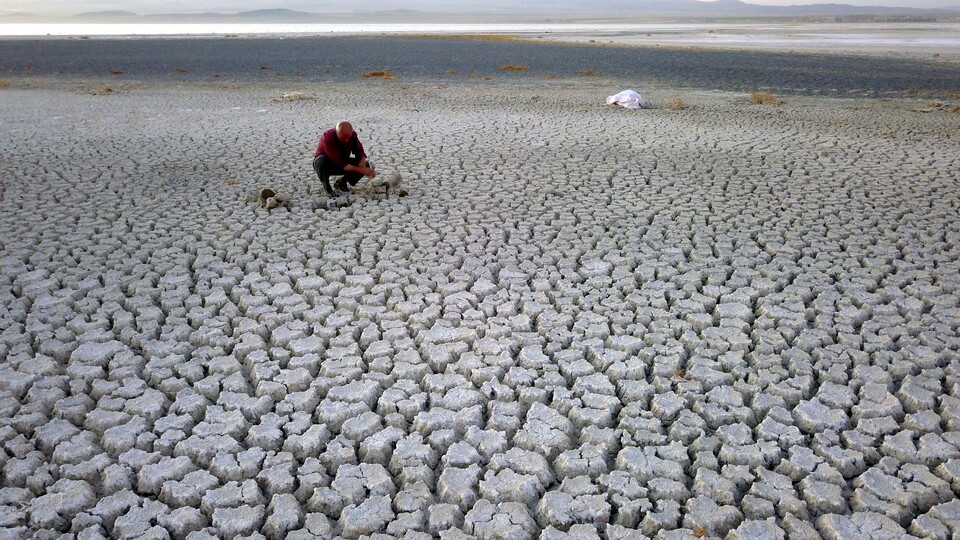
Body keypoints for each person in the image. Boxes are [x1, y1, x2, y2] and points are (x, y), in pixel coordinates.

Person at [312, 120, 376, 197]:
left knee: (366, 164)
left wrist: (362, 163)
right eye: (343, 137)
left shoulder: (352, 135)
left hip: (344, 161)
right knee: (321, 162)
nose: (346, 140)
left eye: (348, 137)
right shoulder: (327, 137)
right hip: (329, 163)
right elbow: (338, 162)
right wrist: (361, 170)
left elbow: (359, 151)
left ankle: (341, 183)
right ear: (337, 132)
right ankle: (328, 189)